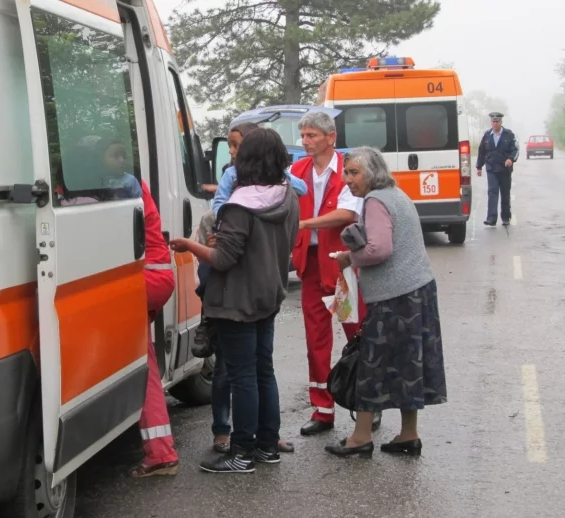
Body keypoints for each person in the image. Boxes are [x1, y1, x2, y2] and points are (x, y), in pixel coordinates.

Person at [170, 128, 299, 473]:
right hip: (269, 294)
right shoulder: (287, 196)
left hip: (236, 300)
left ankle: (241, 452)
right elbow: (280, 242)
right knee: (263, 371)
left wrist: (191, 245)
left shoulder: (239, 205)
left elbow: (224, 259)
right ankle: (267, 447)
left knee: (242, 377)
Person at [327, 146, 447, 457]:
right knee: (410, 364)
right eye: (346, 172)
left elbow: (379, 250)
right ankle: (408, 434)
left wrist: (348, 257)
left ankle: (361, 437)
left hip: (395, 297)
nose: (347, 179)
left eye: (354, 173)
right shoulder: (397, 194)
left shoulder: (376, 200)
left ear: (372, 172)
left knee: (372, 365)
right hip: (418, 291)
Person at [289, 111, 379, 436]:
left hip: (340, 265)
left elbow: (347, 212)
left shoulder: (348, 170)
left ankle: (368, 402)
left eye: (312, 135)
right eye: (303, 136)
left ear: (331, 138)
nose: (305, 142)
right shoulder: (296, 169)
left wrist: (302, 224)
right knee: (316, 340)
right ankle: (322, 410)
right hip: (311, 265)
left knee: (355, 332)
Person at [128, 179, 179, 478]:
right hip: (158, 275)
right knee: (143, 359)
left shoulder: (114, 184)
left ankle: (161, 453)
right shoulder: (135, 182)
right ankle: (161, 451)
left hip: (145, 278)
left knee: (143, 363)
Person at [476, 112, 519, 227]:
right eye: (493, 121)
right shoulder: (487, 135)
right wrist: (479, 167)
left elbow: (515, 150)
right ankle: (491, 218)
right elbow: (481, 151)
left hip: (505, 170)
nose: (495, 124)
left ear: (501, 122)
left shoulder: (508, 134)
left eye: (497, 121)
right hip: (491, 169)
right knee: (492, 193)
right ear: (491, 122)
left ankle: (505, 218)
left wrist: (511, 159)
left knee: (505, 194)